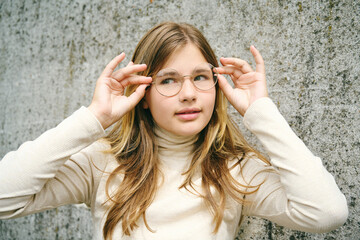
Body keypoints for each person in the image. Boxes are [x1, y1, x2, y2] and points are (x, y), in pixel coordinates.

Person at [0, 22, 348, 240]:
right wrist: (93, 118)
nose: (189, 93)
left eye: (200, 77)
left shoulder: (234, 170)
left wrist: (261, 111)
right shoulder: (102, 164)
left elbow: (326, 212)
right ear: (143, 96)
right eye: (168, 80)